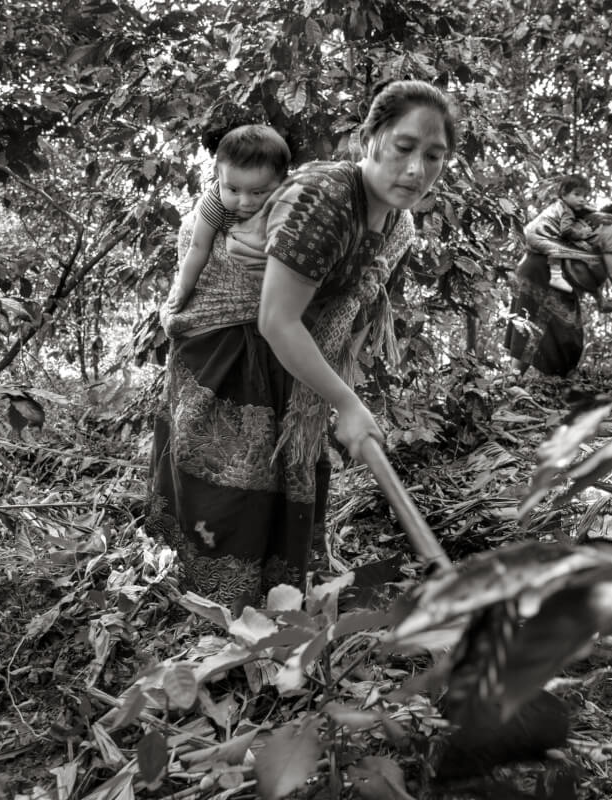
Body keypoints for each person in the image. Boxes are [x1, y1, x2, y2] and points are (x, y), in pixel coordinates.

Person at [148, 80, 456, 614]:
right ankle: (206, 605)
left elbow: (354, 308)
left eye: (434, 155)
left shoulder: (399, 224)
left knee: (287, 472)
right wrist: (346, 402)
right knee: (230, 476)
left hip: (295, 355)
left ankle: (275, 599)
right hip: (231, 341)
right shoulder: (323, 199)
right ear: (369, 138)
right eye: (404, 148)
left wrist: (340, 390)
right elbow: (277, 319)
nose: (416, 170)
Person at [504, 189, 612, 377]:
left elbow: (587, 262)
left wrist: (598, 296)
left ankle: (520, 379)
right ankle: (517, 380)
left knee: (551, 330)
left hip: (536, 269)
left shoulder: (597, 221)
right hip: (544, 273)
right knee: (554, 330)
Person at [159, 124, 291, 338]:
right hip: (224, 292)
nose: (245, 201)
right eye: (233, 190)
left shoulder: (288, 198)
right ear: (218, 176)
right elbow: (198, 246)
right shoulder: (216, 202)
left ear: (282, 182)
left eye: (258, 192)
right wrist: (183, 288)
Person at [523, 174, 598, 294]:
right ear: (564, 194)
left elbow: (581, 209)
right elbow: (566, 231)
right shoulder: (567, 212)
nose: (582, 199)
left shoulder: (559, 205)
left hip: (530, 233)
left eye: (585, 196)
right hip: (540, 236)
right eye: (577, 194)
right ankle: (556, 276)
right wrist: (581, 234)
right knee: (559, 249)